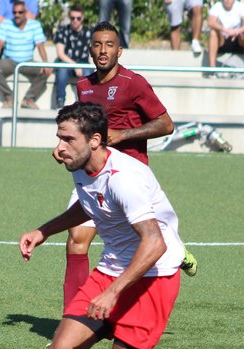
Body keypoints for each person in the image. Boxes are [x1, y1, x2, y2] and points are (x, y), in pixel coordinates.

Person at [19, 102, 183, 349]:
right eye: (58, 137)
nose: (58, 148)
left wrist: (113, 292)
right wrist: (44, 231)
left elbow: (155, 243)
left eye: (67, 139)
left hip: (152, 275)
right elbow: (88, 205)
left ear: (95, 140)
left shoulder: (126, 178)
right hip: (113, 268)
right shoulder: (82, 166)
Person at [65, 22, 195, 313]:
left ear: (119, 51)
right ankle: (74, 315)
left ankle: (176, 251)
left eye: (109, 45)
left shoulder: (133, 82)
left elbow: (166, 124)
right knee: (76, 239)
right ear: (90, 50)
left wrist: (123, 135)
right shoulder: (83, 86)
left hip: (128, 177)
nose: (103, 50)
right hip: (94, 176)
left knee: (142, 242)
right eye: (97, 44)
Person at [0, 0, 48, 109]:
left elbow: (40, 46)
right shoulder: (5, 24)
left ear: (25, 12)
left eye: (20, 12)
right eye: (14, 12)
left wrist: (46, 63)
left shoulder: (35, 25)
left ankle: (28, 99)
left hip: (27, 62)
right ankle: (10, 98)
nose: (17, 15)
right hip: (9, 61)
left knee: (48, 70)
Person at [52, 4, 91, 108]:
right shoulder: (62, 31)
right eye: (72, 18)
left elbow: (93, 54)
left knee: (88, 72)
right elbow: (61, 54)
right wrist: (75, 65)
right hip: (67, 62)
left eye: (78, 18)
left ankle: (85, 104)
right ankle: (60, 102)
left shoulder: (89, 33)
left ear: (82, 18)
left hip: (83, 63)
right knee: (62, 70)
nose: (75, 21)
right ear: (69, 17)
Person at [206, 0, 244, 71]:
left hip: (238, 40)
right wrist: (226, 30)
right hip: (222, 40)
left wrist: (238, 31)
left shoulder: (240, 7)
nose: (228, 1)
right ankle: (212, 68)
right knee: (213, 32)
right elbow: (211, 22)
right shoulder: (217, 7)